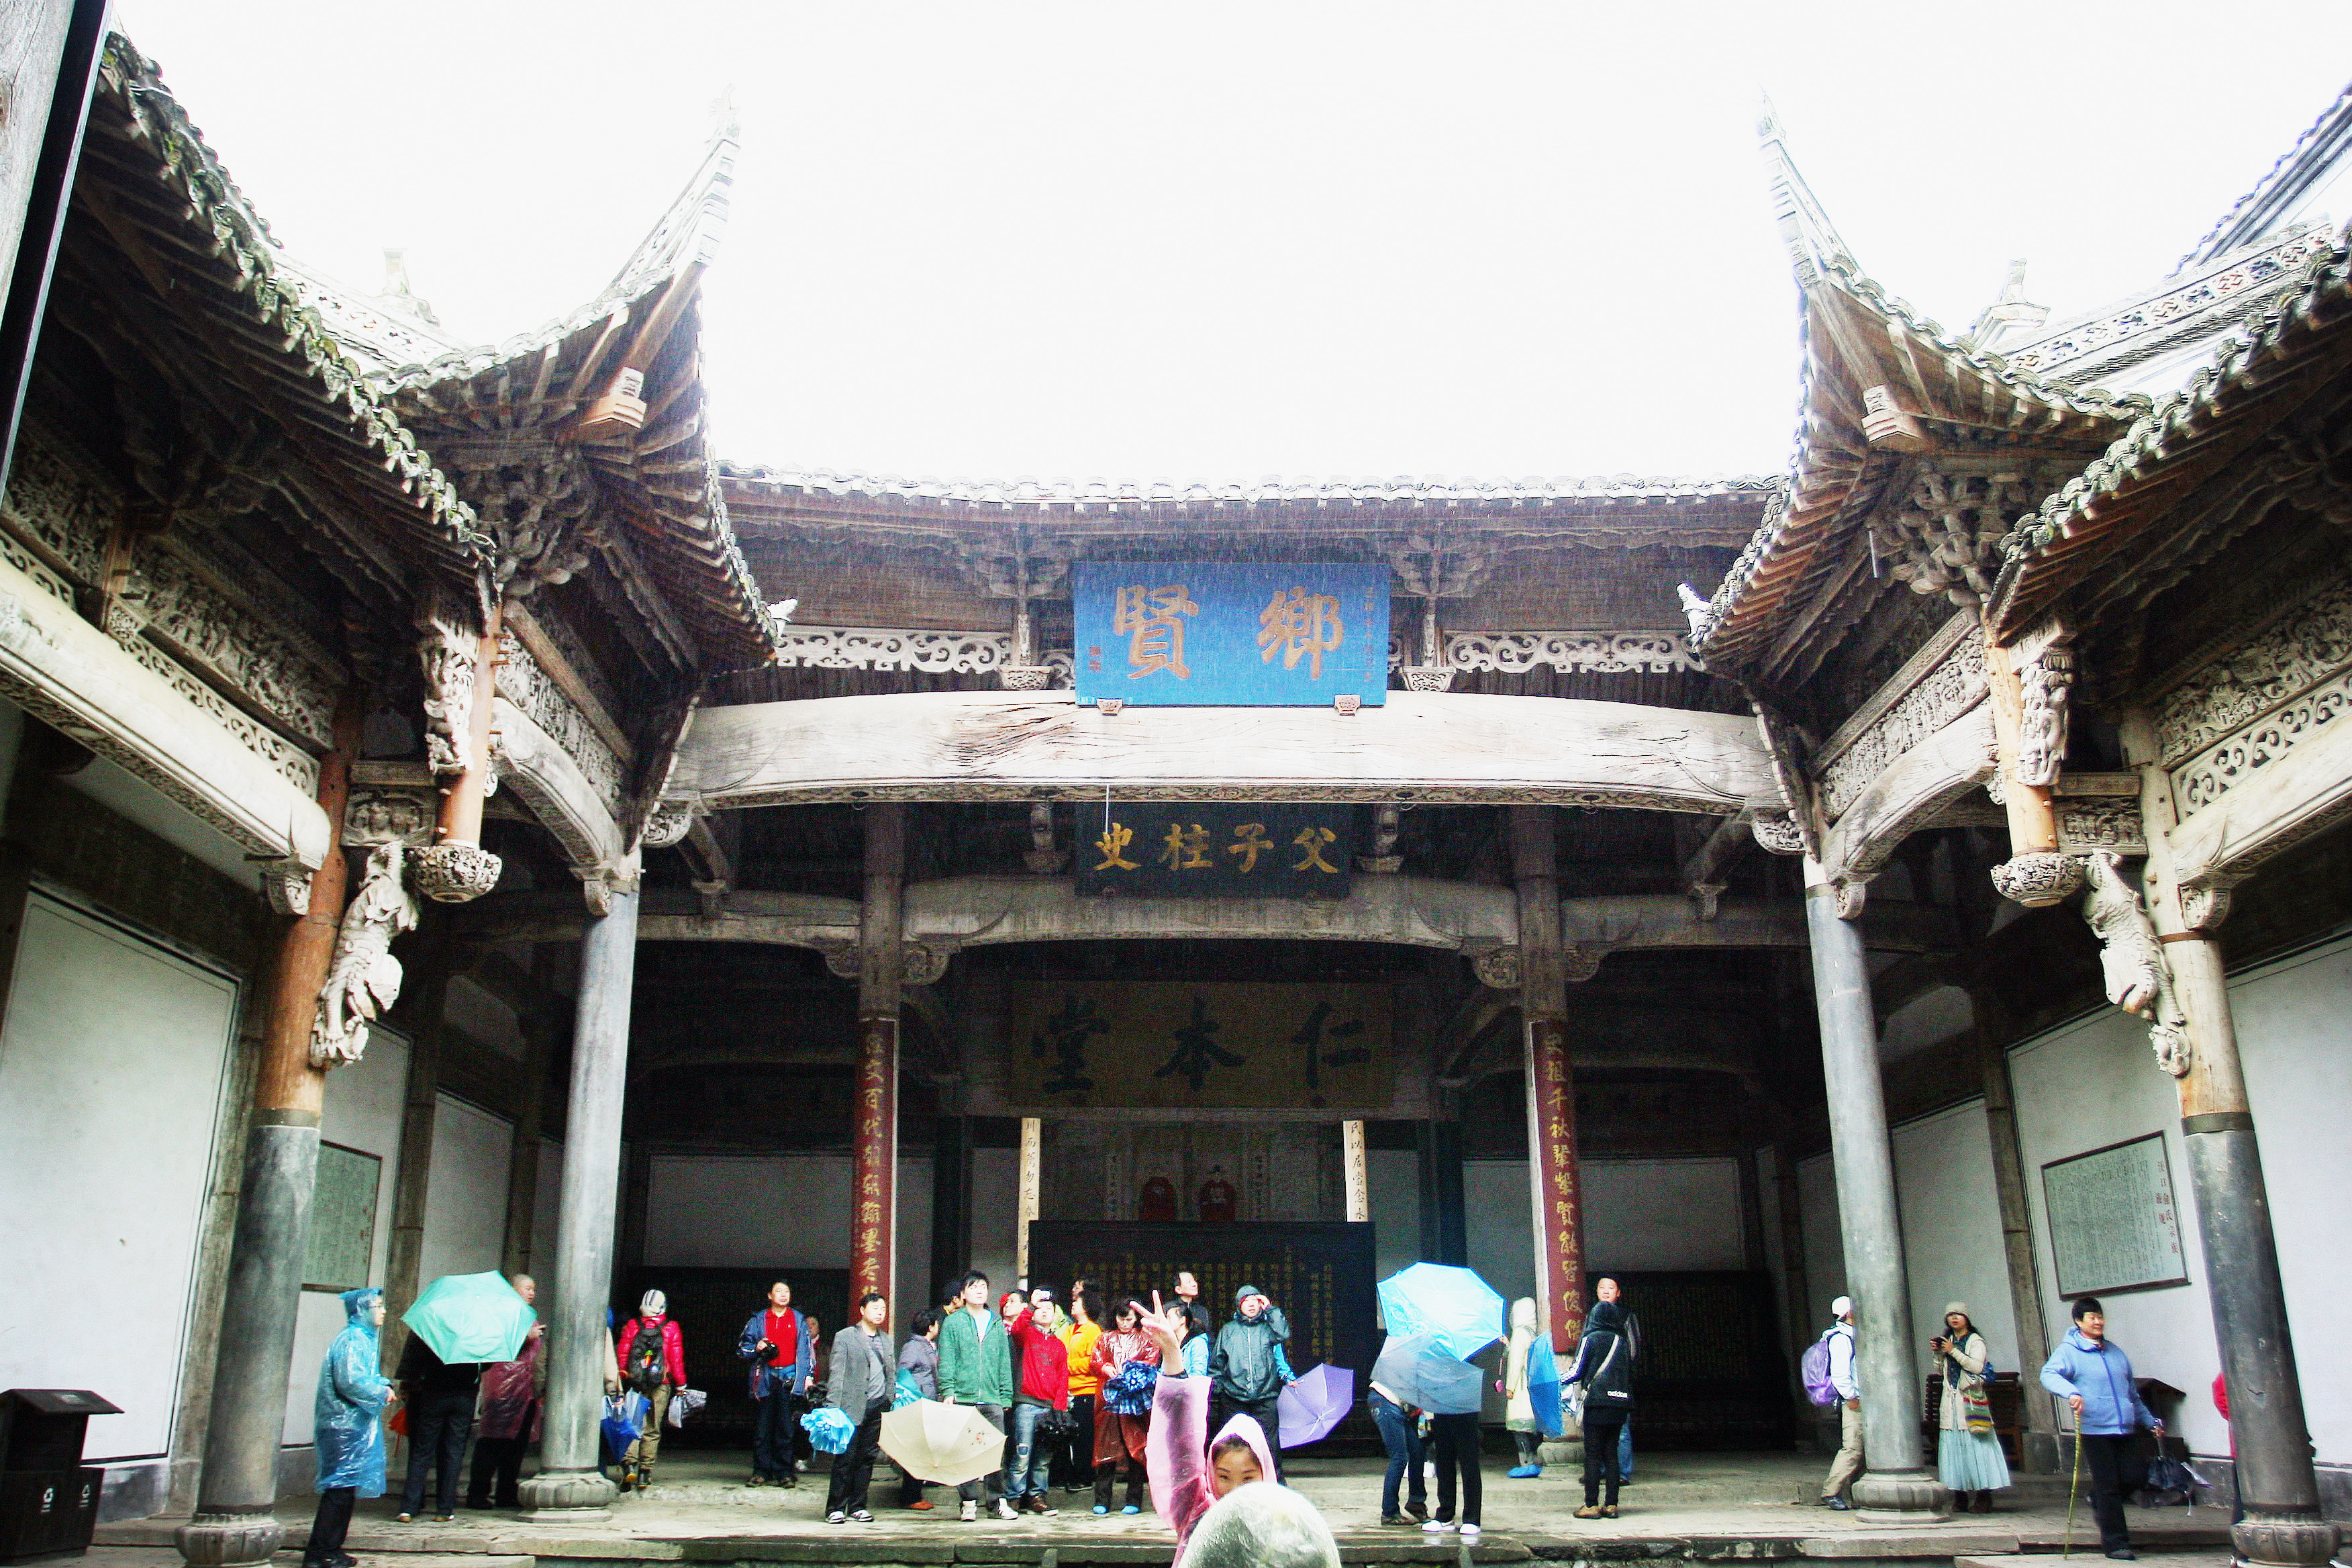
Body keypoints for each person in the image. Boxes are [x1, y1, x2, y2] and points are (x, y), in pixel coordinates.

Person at [1138, 1294, 1282, 1566]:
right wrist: (1171, 1353)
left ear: (1266, 1472)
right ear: (1210, 1474)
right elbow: (1181, 1441)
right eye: (1224, 1477)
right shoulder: (1196, 1512)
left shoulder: (1281, 1528)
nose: (1234, 1489)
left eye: (1248, 1478)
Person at [2041, 1297, 2164, 1561]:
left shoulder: (2116, 1352)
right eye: (2091, 1318)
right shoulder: (2069, 1351)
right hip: (2094, 1428)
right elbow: (2049, 1374)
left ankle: (2097, 1500)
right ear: (2078, 1321)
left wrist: (2150, 1422)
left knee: (2135, 1476)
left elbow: (2131, 1393)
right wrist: (2071, 1392)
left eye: (2099, 1316)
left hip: (2124, 1427)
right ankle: (2116, 1544)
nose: (2097, 1322)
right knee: (2108, 1484)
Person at [306, 1288, 396, 1568]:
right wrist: (380, 1393)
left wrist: (382, 1383)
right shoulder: (352, 1340)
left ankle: (332, 1548)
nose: (383, 1311)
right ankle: (320, 1553)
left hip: (351, 1427)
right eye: (378, 1306)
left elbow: (363, 1376)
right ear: (362, 1310)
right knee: (338, 1492)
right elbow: (350, 1381)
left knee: (345, 1491)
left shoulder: (363, 1340)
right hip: (341, 1427)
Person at [938, 1269, 1018, 1522]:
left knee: (995, 1452)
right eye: (973, 1287)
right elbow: (947, 1359)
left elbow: (1004, 1362)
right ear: (962, 1294)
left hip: (992, 1398)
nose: (979, 1290)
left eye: (983, 1286)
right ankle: (969, 1502)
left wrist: (1006, 1396)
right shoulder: (953, 1323)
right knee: (966, 1453)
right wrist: (947, 1390)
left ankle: (998, 1503)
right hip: (964, 1396)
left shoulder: (996, 1323)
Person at [467, 1273, 545, 1510]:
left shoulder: (529, 1316)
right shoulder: (501, 1314)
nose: (532, 1293)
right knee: (492, 1443)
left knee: (517, 1445)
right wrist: (525, 1337)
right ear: (514, 1290)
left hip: (526, 1390)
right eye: (528, 1289)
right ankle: (478, 1493)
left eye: (534, 1289)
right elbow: (495, 1345)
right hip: (504, 1389)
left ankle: (506, 1492)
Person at [394, 1326, 482, 1521]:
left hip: (434, 1393)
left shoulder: (430, 1325)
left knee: (422, 1451)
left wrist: (409, 1382)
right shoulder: (475, 1327)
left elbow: (414, 1358)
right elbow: (486, 1364)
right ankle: (445, 1509)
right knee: (454, 1452)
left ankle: (408, 1508)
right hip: (464, 1395)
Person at [824, 1291, 896, 1524]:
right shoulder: (845, 1337)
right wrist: (833, 1406)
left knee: (867, 1458)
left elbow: (891, 1372)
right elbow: (837, 1373)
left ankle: (858, 1505)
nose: (880, 1313)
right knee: (846, 1457)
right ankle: (835, 1507)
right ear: (862, 1311)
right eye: (875, 1308)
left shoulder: (886, 1339)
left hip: (877, 1405)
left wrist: (890, 1397)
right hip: (851, 1406)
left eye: (883, 1309)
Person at [1930, 1303, 2010, 1513]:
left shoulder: (1975, 1341)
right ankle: (1960, 1495)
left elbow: (1976, 1367)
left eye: (1958, 1315)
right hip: (1951, 1401)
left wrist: (1953, 1351)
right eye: (1950, 1315)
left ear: (1967, 1317)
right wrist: (1939, 1354)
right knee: (1954, 1448)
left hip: (1970, 1400)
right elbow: (1941, 1371)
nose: (1954, 1318)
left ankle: (1984, 1496)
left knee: (1977, 1446)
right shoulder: (1950, 1341)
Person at [1209, 1284, 1293, 1482]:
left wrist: (1271, 1309)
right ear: (1239, 1305)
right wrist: (1219, 1392)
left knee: (1271, 1446)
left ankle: (1276, 1486)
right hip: (1234, 1398)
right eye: (1246, 1301)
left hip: (1265, 1398)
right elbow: (1217, 1364)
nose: (1251, 1305)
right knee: (1232, 1446)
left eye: (1255, 1301)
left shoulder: (1268, 1329)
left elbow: (1284, 1334)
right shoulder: (1229, 1330)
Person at [738, 1279, 814, 1487]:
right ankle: (760, 1471)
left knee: (786, 1428)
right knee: (762, 1427)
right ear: (770, 1296)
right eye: (778, 1291)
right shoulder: (759, 1319)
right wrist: (758, 1347)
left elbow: (807, 1352)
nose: (783, 1295)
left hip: (789, 1378)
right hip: (766, 1377)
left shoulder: (798, 1320)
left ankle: (784, 1472)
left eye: (786, 1291)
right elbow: (742, 1348)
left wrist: (808, 1376)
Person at [1563, 1298, 1635, 1518]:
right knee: (1612, 1454)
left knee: (1593, 1454)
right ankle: (1611, 1505)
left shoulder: (1590, 1339)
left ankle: (1591, 1505)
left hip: (1597, 1404)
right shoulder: (1622, 1342)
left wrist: (1559, 1380)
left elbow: (1576, 1371)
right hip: (1619, 1404)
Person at [1089, 1297, 1160, 1514]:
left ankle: (1134, 1500)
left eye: (1129, 1319)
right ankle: (1102, 1500)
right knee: (1105, 1450)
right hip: (1109, 1402)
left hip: (1134, 1401)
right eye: (1121, 1319)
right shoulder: (1105, 1338)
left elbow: (1152, 1361)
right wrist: (1104, 1368)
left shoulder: (1145, 1339)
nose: (1125, 1323)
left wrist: (1133, 1375)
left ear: (1136, 1318)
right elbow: (1094, 1361)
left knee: (1135, 1450)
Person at [1006, 1285, 1071, 1514]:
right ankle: (1014, 1497)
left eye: (1049, 1308)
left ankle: (1037, 1497)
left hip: (1049, 1407)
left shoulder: (1059, 1345)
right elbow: (1016, 1329)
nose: (1044, 1312)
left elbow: (1063, 1377)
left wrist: (1060, 1408)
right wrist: (1031, 1305)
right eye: (1040, 1308)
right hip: (1026, 1403)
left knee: (1043, 1459)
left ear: (1055, 1314)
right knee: (1022, 1453)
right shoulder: (1026, 1335)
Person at [614, 1289, 685, 1490]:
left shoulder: (632, 1326)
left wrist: (622, 1376)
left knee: (632, 1425)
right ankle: (645, 1474)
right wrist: (681, 1384)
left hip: (635, 1384)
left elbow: (623, 1352)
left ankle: (630, 1467)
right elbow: (676, 1359)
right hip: (661, 1384)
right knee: (652, 1429)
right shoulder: (671, 1328)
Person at [1184, 1480, 1343, 1568]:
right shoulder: (1221, 1531)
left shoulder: (1294, 1524)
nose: (1237, 1486)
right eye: (1224, 1476)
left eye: (1248, 1478)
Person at [1367, 1362, 1428, 1526]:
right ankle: (1389, 1512)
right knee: (1399, 1458)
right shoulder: (1421, 1361)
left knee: (1417, 1451)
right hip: (1384, 1401)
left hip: (1392, 1404)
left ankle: (1416, 1502)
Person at [895, 1308, 943, 1510]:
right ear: (931, 1327)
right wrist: (914, 1394)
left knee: (922, 1450)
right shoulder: (913, 1347)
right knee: (916, 1451)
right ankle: (911, 1497)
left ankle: (915, 1494)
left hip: (927, 1403)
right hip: (917, 1404)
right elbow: (903, 1372)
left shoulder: (927, 1346)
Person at [1818, 1296, 1861, 1511]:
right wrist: (1851, 1397)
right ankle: (1831, 1491)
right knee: (1852, 1448)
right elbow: (1840, 1374)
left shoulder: (1853, 1335)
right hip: (1855, 1401)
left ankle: (1859, 1494)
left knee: (1864, 1450)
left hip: (1863, 1400)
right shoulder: (1841, 1339)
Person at [1594, 1277, 1640, 1483]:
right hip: (1596, 1383)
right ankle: (1602, 1469)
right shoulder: (1592, 1315)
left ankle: (1622, 1472)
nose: (1606, 1291)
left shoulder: (1626, 1316)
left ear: (1618, 1292)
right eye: (1602, 1287)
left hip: (1619, 1381)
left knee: (1621, 1430)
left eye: (1611, 1288)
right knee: (1597, 1428)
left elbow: (1633, 1350)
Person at [1059, 1288, 1104, 1495]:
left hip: (1085, 1390)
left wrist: (1067, 1365)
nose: (1073, 1304)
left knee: (1083, 1436)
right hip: (1065, 1391)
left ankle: (1085, 1476)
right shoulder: (1068, 1329)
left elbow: (1092, 1362)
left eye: (1078, 1301)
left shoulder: (1093, 1331)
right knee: (1067, 1436)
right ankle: (1068, 1475)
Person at [1504, 1297, 1545, 1477]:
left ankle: (1525, 1462)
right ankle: (1535, 1460)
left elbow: (1515, 1362)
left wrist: (1509, 1386)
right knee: (1532, 1427)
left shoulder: (1520, 1332)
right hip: (1532, 1386)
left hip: (1521, 1387)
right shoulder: (1533, 1332)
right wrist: (1508, 1345)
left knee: (1519, 1427)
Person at [1172, 1271, 1214, 1346]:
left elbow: (1209, 1337)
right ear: (1178, 1289)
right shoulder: (1170, 1309)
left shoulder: (1202, 1311)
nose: (1194, 1284)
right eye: (1189, 1282)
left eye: (1194, 1281)